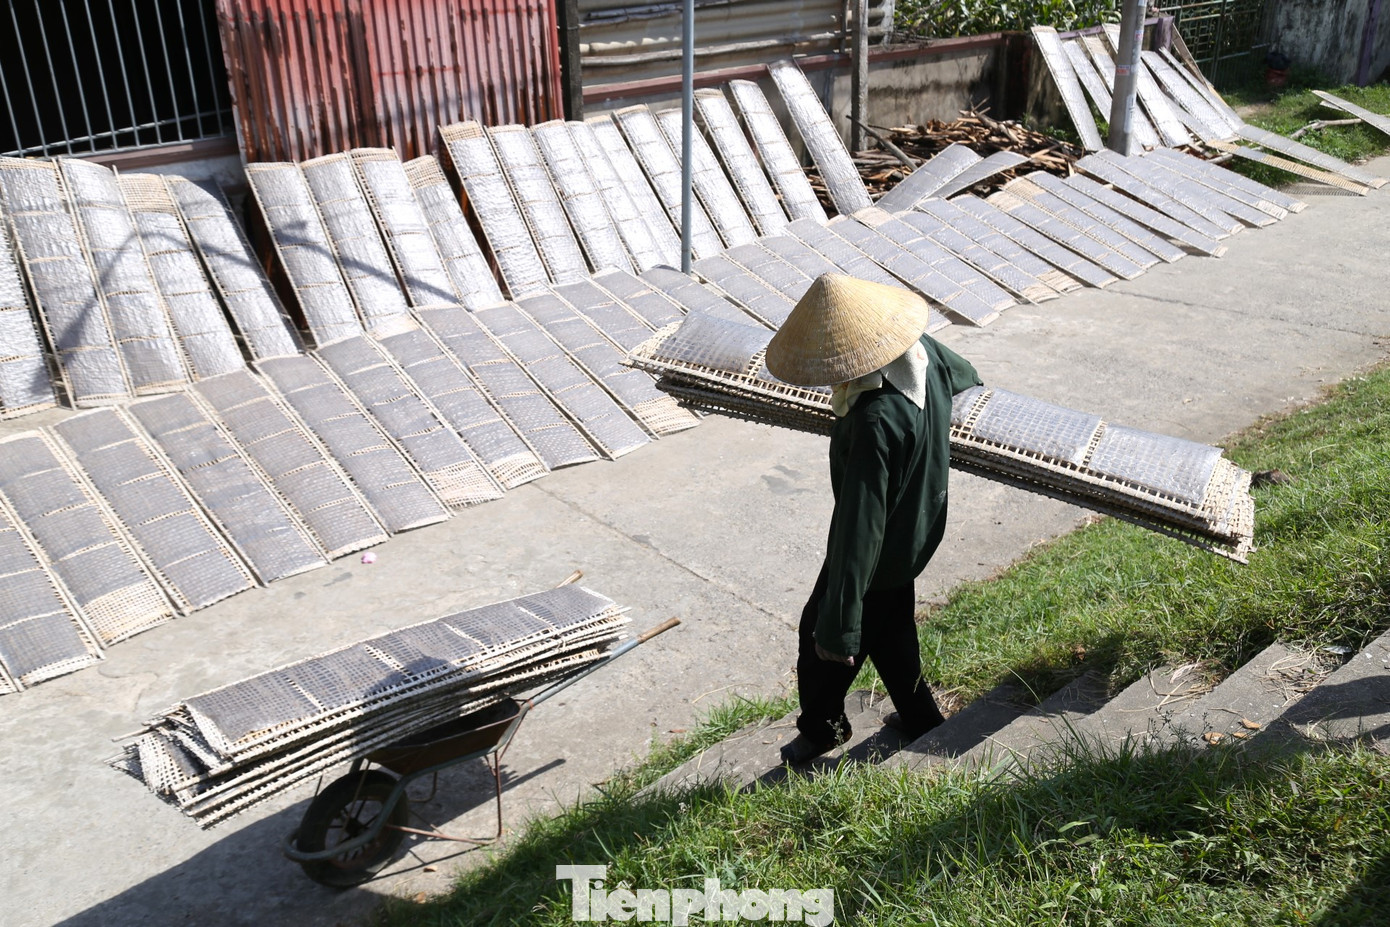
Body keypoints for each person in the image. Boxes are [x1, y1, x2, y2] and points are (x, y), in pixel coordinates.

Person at [764, 274, 982, 764]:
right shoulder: (923, 353)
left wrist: (837, 624)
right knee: (892, 628)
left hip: (881, 547)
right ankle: (922, 718)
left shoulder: (873, 421)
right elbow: (966, 373)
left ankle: (821, 730)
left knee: (820, 636)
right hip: (916, 528)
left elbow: (858, 527)